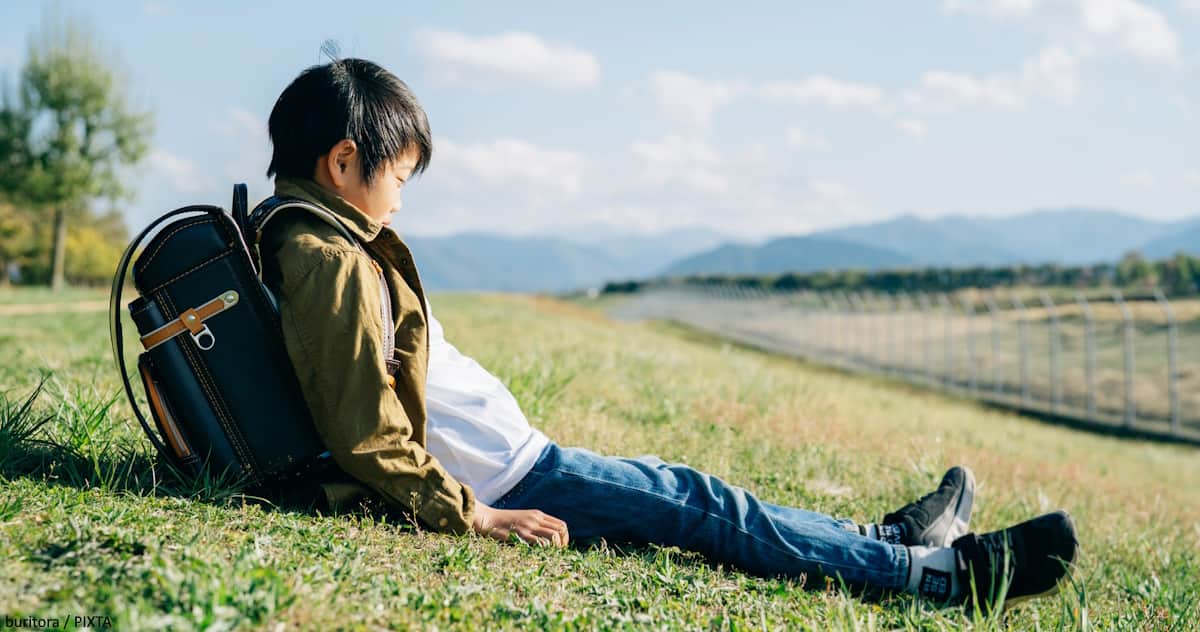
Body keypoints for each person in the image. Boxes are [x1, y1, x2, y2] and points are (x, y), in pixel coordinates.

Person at [259, 57, 1079, 612]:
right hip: (508, 480)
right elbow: (365, 429)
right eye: (398, 177)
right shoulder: (326, 258)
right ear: (342, 163)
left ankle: (879, 538)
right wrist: (471, 516)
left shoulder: (318, 241)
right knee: (701, 506)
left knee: (698, 497)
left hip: (515, 464)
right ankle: (933, 577)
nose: (401, 199)